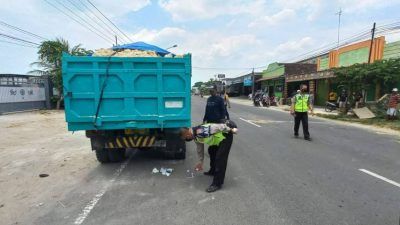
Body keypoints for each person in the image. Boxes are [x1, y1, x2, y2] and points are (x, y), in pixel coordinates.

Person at [181, 121, 238, 192]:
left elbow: (216, 127)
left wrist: (230, 130)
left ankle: (217, 184)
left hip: (225, 135)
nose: (187, 138)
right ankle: (213, 171)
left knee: (220, 159)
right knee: (211, 150)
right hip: (218, 139)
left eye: (186, 137)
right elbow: (200, 149)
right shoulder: (195, 136)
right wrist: (200, 162)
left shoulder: (200, 131)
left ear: (187, 132)